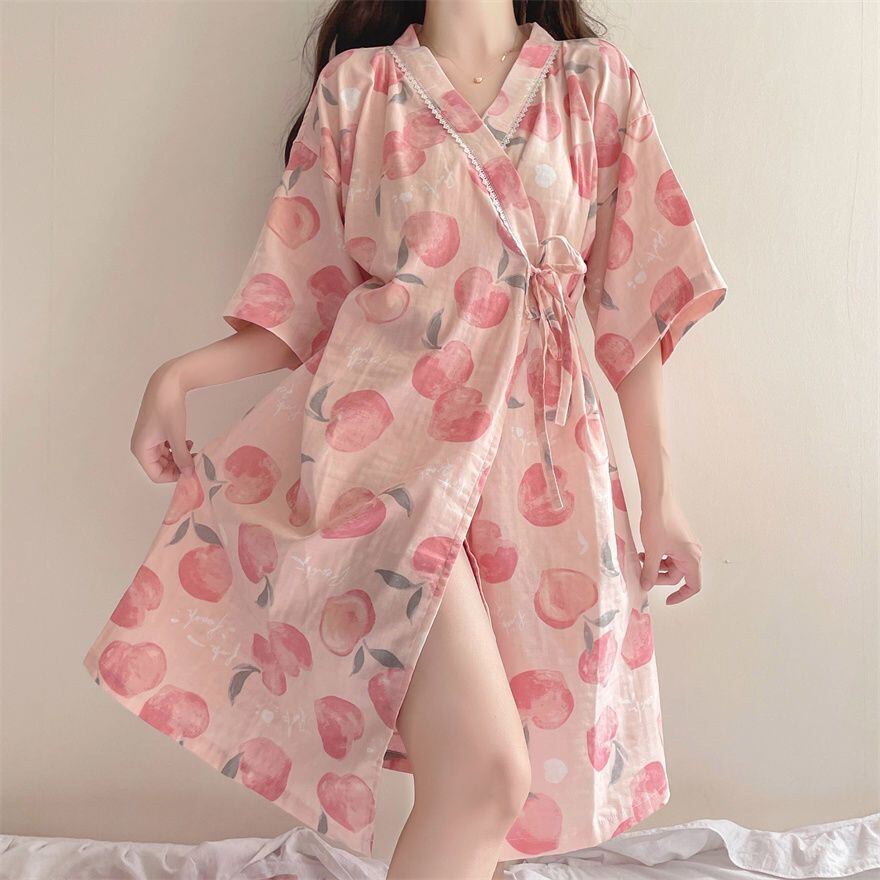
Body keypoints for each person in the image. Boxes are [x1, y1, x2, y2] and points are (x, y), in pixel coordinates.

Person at [83, 2, 727, 879]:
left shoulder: (593, 86)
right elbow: (297, 303)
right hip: (379, 459)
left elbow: (633, 309)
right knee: (487, 777)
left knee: (499, 787)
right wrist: (177, 377)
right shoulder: (358, 90)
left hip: (541, 473)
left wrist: (663, 498)